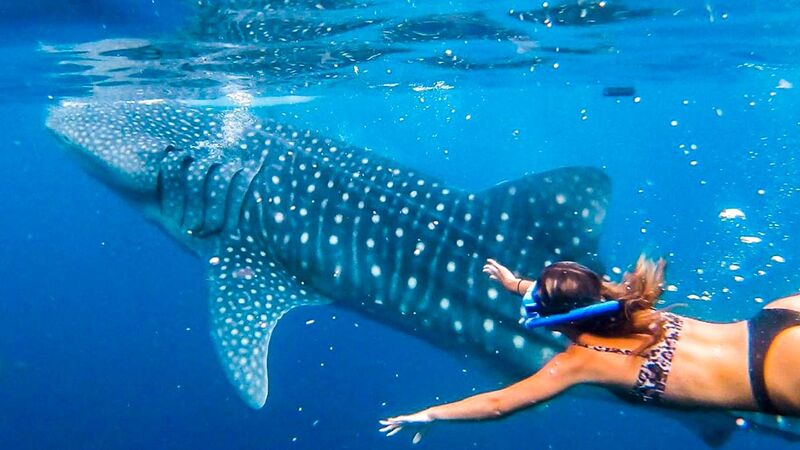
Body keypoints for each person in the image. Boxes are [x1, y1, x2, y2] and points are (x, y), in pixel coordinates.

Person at [379, 256, 800, 438]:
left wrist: (430, 414)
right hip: (775, 321)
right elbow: (577, 295)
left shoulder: (579, 364)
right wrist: (517, 284)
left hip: (773, 378)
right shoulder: (628, 301)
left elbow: (498, 404)